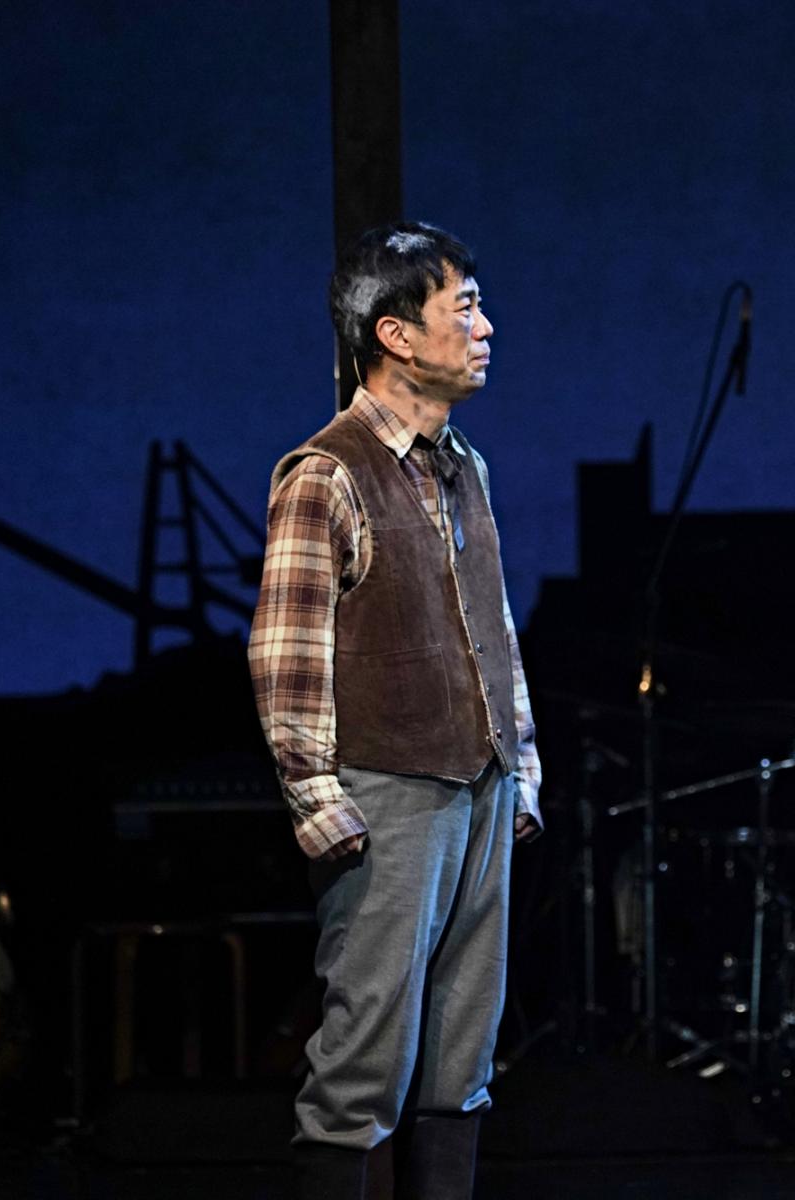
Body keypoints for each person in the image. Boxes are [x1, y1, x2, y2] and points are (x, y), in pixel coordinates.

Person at [248, 221, 543, 1200]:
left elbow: (492, 629)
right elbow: (286, 656)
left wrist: (519, 767)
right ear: (396, 334)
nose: (485, 328)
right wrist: (323, 808)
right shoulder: (328, 473)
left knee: (461, 1059)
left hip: (478, 786)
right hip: (386, 798)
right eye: (465, 308)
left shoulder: (464, 466)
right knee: (365, 1062)